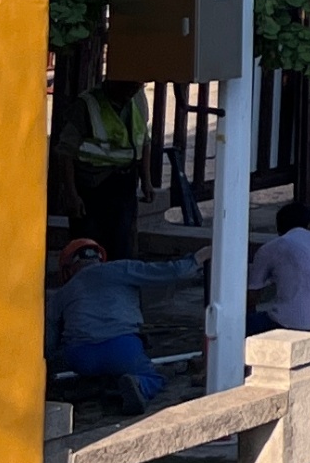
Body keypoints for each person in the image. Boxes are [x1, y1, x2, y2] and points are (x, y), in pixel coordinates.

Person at [49, 235, 203, 416]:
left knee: (90, 369)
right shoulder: (121, 269)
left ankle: (96, 385)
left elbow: (49, 339)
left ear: (68, 268)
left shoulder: (61, 294)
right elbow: (168, 272)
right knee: (153, 376)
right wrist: (197, 260)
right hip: (122, 348)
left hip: (80, 357)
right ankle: (139, 384)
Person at [70, 80, 148, 265]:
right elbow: (65, 152)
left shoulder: (136, 100)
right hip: (93, 184)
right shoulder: (89, 104)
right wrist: (72, 194)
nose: (133, 90)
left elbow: (144, 140)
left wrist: (147, 181)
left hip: (124, 182)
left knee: (121, 245)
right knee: (89, 249)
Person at [249, 197, 310, 341]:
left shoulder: (271, 248)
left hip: (294, 328)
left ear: (278, 228)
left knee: (239, 324)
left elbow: (252, 295)